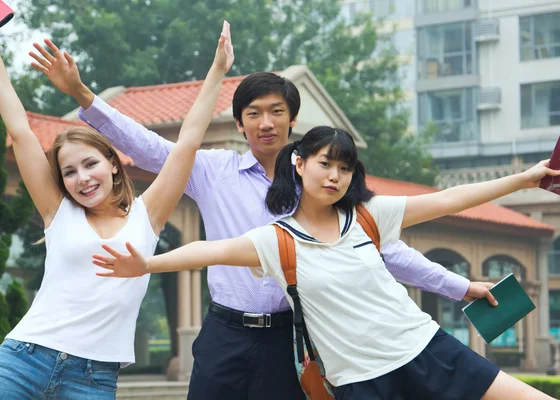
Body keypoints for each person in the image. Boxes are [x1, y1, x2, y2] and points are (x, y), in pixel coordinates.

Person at [31, 47, 496, 399]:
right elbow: (148, 146)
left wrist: (458, 286)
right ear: (240, 123)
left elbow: (381, 250)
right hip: (225, 334)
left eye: (276, 112)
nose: (265, 122)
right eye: (253, 113)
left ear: (293, 120)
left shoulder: (321, 185)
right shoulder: (212, 171)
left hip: (291, 336)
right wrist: (81, 94)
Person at [94, 126, 558, 400]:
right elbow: (205, 251)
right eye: (325, 164)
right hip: (358, 382)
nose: (335, 176)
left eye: (345, 167)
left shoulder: (369, 215)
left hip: (426, 350)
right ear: (298, 163)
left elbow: (451, 198)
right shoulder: (276, 241)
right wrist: (147, 265)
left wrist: (525, 179)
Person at [0, 20, 234, 399]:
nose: (82, 178)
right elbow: (21, 129)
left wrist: (218, 70)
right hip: (23, 360)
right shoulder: (58, 212)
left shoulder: (147, 217)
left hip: (91, 378)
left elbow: (188, 142)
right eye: (69, 172)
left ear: (112, 162)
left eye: (90, 164)